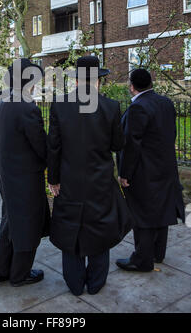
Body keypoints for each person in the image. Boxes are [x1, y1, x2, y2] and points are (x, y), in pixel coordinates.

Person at [48, 55, 133, 296]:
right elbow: (118, 144)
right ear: (98, 81)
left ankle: (75, 284)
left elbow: (53, 146)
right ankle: (96, 283)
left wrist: (52, 178)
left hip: (69, 179)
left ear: (76, 80)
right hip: (100, 180)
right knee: (100, 225)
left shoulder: (60, 104)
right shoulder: (111, 107)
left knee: (69, 226)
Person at [116, 68, 185, 272]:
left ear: (132, 86)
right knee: (161, 210)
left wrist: (124, 173)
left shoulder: (138, 108)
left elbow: (131, 144)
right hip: (166, 168)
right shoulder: (166, 103)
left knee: (143, 215)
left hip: (144, 171)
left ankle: (142, 260)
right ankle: (158, 253)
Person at [0, 58, 50, 287]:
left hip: (6, 172)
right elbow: (40, 144)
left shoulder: (4, 100)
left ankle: (2, 269)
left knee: (10, 220)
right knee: (27, 223)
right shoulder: (27, 106)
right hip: (24, 176)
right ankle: (20, 274)